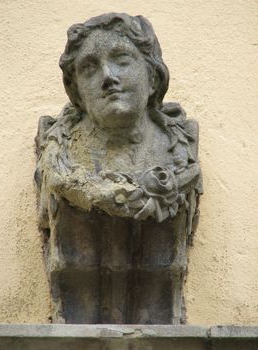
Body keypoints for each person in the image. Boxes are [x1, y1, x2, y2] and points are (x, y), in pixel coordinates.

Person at [35, 13, 202, 324]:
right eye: (88, 68)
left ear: (153, 77)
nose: (107, 76)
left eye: (122, 59)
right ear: (77, 94)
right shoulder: (62, 154)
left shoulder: (178, 153)